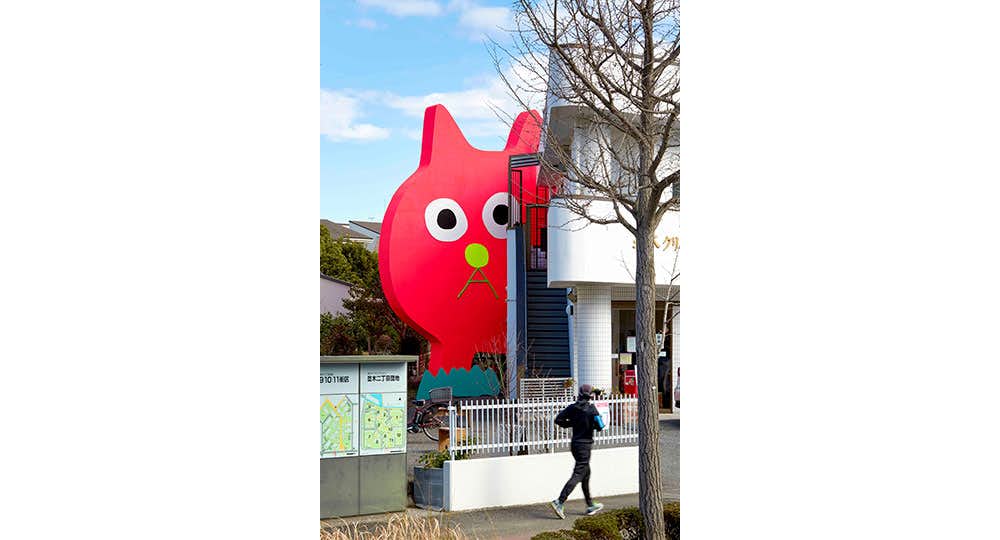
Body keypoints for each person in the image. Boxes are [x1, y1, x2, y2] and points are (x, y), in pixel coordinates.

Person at [550, 384, 605, 519]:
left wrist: (572, 423)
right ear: (590, 396)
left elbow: (558, 420)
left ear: (579, 394)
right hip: (585, 446)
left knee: (586, 474)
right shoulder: (592, 409)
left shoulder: (573, 407)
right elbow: (600, 426)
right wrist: (591, 423)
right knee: (578, 474)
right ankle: (559, 501)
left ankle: (590, 505)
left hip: (575, 445)